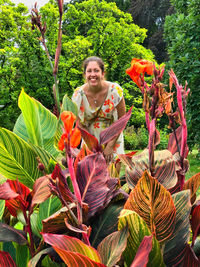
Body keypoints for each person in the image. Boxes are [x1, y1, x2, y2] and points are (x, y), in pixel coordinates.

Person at [72, 56, 126, 172]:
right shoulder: (78, 94)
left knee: (112, 176)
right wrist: (91, 146)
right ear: (84, 74)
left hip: (113, 137)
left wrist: (110, 146)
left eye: (96, 70)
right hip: (89, 137)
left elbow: (122, 120)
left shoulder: (115, 90)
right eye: (89, 71)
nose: (93, 74)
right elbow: (78, 123)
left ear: (102, 73)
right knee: (90, 178)